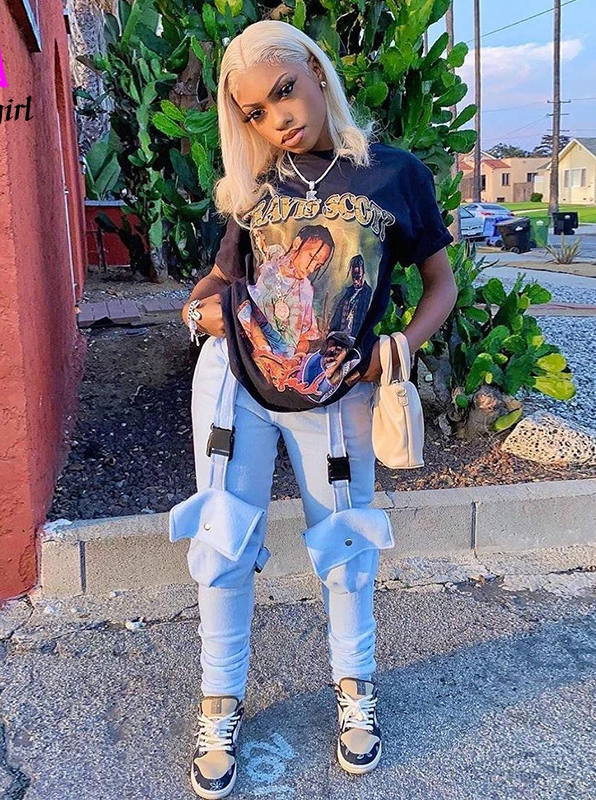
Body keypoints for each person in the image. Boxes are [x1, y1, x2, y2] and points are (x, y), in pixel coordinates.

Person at [175, 19, 458, 799]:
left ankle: (356, 689)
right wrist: (198, 314)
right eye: (256, 112)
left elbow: (441, 285)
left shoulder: (394, 174)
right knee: (223, 540)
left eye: (285, 92)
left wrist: (395, 349)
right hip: (236, 383)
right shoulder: (255, 190)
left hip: (336, 389)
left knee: (346, 544)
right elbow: (211, 288)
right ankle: (218, 704)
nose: (279, 118)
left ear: (315, 70)